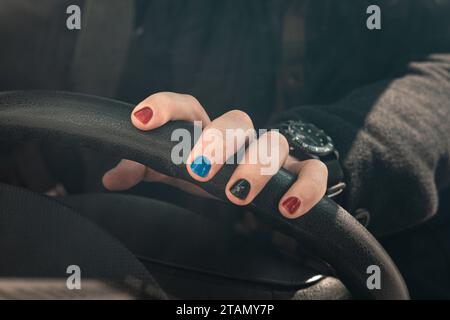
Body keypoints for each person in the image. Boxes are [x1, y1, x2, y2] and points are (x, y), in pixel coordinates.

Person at [1, 0, 450, 298]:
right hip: (152, 237)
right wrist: (168, 139)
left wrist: (315, 145)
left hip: (386, 250)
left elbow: (440, 76)